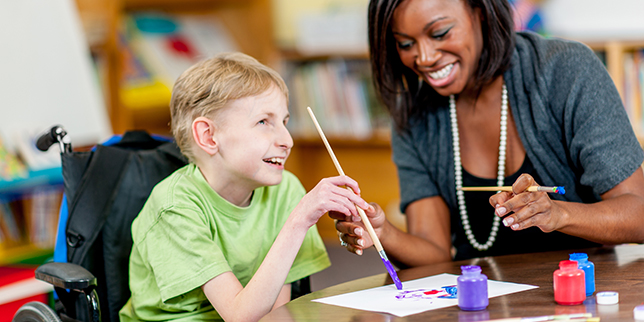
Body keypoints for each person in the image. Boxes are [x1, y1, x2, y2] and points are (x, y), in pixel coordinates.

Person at [332, 0, 644, 267]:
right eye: (405, 43)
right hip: (477, 301)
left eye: (440, 33)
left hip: (579, 295)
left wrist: (558, 214)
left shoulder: (566, 70)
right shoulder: (415, 113)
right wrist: (381, 231)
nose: (424, 58)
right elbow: (435, 252)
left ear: (480, 11)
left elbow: (638, 213)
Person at [119, 52, 373, 321]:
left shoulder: (285, 189)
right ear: (208, 136)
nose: (287, 140)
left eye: (285, 122)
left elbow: (276, 312)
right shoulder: (174, 207)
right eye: (264, 122)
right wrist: (300, 220)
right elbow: (240, 316)